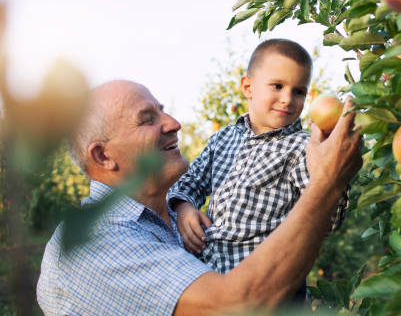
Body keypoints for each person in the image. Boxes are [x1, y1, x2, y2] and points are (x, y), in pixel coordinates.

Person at [36, 80, 362, 315]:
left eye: (162, 111)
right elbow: (235, 307)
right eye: (147, 119)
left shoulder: (177, 221)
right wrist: (327, 182)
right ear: (104, 156)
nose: (174, 123)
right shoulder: (93, 244)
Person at [167, 39, 348, 280]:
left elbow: (327, 220)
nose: (287, 99)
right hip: (210, 275)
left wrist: (335, 167)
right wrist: (184, 207)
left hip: (267, 281)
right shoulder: (223, 139)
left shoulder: (303, 147)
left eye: (298, 91)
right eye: (277, 86)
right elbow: (191, 181)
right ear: (248, 87)